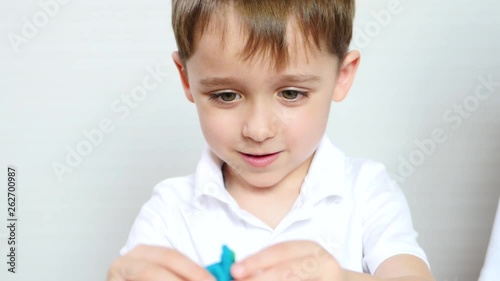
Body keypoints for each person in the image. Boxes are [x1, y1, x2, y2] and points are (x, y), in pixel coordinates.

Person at [108, 0, 435, 280]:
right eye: (226, 95)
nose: (258, 130)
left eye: (291, 93)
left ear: (342, 76)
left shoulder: (366, 192)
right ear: (186, 78)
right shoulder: (169, 212)